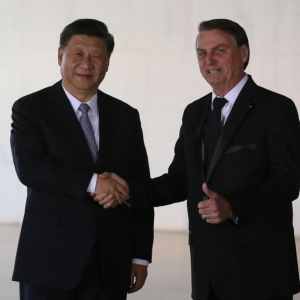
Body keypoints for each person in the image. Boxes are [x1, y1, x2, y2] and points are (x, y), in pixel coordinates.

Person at [96, 19, 300, 300]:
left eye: (219, 51)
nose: (209, 61)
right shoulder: (194, 112)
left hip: (261, 270)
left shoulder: (277, 109)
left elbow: (287, 183)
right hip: (207, 273)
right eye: (201, 53)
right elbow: (180, 180)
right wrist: (129, 191)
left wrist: (233, 207)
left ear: (243, 54)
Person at [10, 19, 154, 300]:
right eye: (77, 53)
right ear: (61, 55)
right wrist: (92, 183)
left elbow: (140, 186)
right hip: (49, 260)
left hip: (111, 263)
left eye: (96, 56)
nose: (86, 64)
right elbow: (29, 167)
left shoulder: (126, 116)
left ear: (108, 62)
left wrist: (140, 256)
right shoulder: (31, 108)